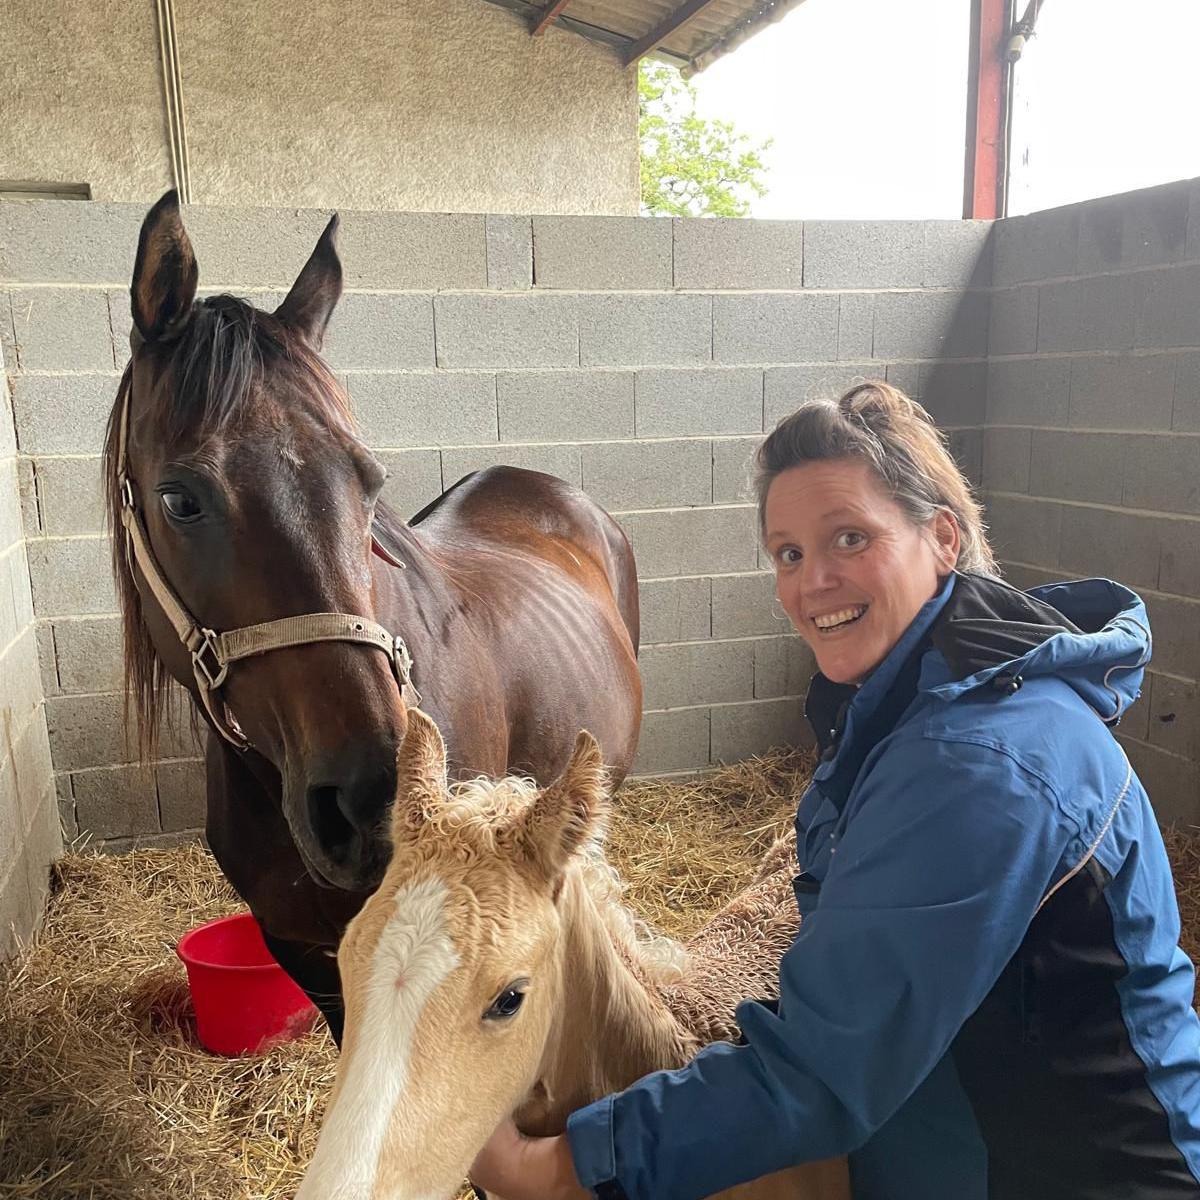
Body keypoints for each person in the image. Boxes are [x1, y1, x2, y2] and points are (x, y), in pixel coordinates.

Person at [470, 381, 1200, 1200]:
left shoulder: (980, 761)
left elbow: (820, 1076)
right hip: (958, 1125)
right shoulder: (913, 703)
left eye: (850, 538)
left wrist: (553, 1169)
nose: (812, 581)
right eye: (788, 553)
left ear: (944, 538)